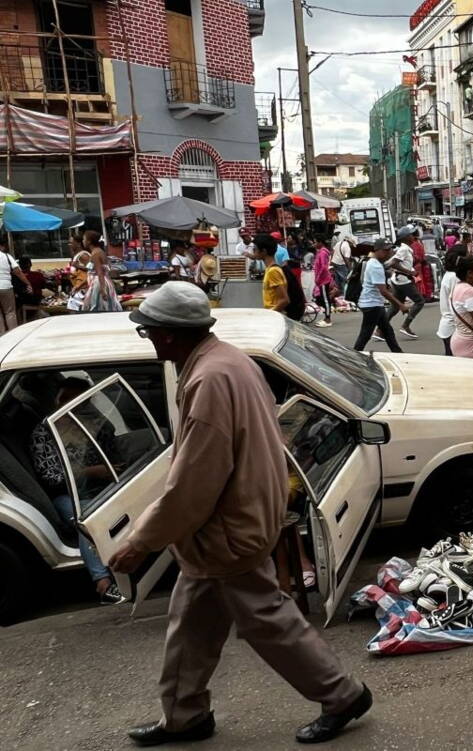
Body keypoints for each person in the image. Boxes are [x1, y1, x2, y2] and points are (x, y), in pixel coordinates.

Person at [109, 282, 372, 746]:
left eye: (148, 331)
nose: (147, 339)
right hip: (232, 521)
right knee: (191, 623)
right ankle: (185, 715)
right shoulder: (228, 361)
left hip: (226, 529)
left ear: (169, 335)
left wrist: (141, 541)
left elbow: (194, 480)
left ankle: (342, 695)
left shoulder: (210, 377)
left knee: (267, 619)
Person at [29, 376, 125, 605]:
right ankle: (103, 584)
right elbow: (51, 478)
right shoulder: (44, 432)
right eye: (69, 400)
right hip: (68, 495)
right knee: (84, 517)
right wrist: (91, 471)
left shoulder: (93, 424)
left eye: (83, 401)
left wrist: (100, 428)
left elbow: (113, 456)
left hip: (101, 488)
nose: (77, 406)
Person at [354, 240, 407, 353]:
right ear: (377, 250)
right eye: (385, 250)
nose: (388, 253)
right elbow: (383, 291)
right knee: (366, 334)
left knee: (387, 331)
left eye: (390, 250)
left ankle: (398, 352)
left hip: (374, 303)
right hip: (371, 304)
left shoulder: (373, 262)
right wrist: (400, 304)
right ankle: (355, 355)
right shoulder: (375, 266)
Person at [386, 227, 425, 339]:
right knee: (420, 301)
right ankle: (405, 325)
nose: (414, 236)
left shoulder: (405, 249)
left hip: (398, 280)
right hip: (403, 280)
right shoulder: (404, 249)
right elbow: (393, 263)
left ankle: (380, 330)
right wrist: (410, 272)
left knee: (395, 306)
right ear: (406, 237)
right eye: (412, 235)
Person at [437, 247, 466, 356]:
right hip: (453, 326)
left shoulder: (449, 275)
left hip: (449, 325)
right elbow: (458, 304)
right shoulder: (454, 277)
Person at [83, 240, 123, 313]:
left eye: (84, 239)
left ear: (89, 241)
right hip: (102, 282)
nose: (83, 241)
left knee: (98, 308)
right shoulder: (100, 252)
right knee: (107, 307)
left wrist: (102, 288)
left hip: (98, 283)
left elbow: (99, 272)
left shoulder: (96, 254)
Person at [253, 233, 288, 314]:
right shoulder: (269, 269)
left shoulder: (273, 271)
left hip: (274, 318)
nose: (253, 251)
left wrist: (269, 315)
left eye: (255, 249)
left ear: (264, 251)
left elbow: (284, 300)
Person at [0, 241, 31, 331]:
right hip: (6, 287)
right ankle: (13, 335)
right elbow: (18, 272)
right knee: (10, 312)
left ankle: (1, 337)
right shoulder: (6, 256)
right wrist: (28, 283)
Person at [312, 236, 334, 328]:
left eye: (316, 242)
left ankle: (328, 319)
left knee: (325, 299)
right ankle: (326, 317)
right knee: (323, 299)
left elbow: (324, 267)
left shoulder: (323, 253)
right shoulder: (320, 252)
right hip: (321, 280)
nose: (314, 244)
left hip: (323, 280)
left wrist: (318, 277)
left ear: (320, 242)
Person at [410, 226, 434, 300]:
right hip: (420, 263)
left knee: (419, 280)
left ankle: (421, 294)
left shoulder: (414, 244)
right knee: (422, 280)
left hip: (417, 264)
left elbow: (416, 255)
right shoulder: (418, 242)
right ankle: (424, 294)